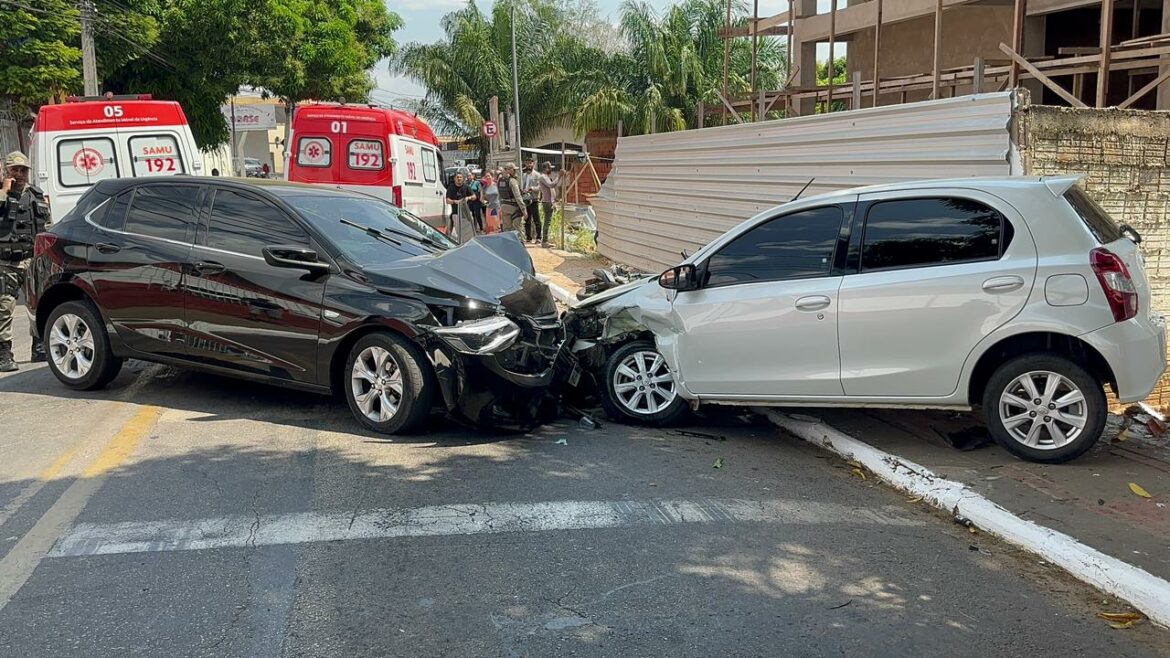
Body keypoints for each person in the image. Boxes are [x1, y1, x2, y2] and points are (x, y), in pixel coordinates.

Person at [0, 152, 51, 372]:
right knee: (4, 308)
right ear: (6, 171)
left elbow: (47, 226)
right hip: (6, 263)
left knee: (38, 304)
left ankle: (39, 347)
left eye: (23, 170)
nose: (20, 174)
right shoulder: (1, 194)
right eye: (15, 170)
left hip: (32, 261)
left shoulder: (36, 195)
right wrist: (4, 190)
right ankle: (4, 353)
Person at [444, 171, 477, 240]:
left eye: (460, 177)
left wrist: (468, 198)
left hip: (466, 213)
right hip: (456, 214)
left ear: (463, 178)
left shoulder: (466, 186)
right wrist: (455, 201)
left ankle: (468, 244)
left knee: (468, 232)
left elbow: (474, 196)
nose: (459, 179)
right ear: (454, 179)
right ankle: (462, 245)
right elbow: (447, 200)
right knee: (460, 233)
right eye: (457, 177)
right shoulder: (451, 187)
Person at [496, 163, 527, 234]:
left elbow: (499, 195)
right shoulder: (512, 181)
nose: (515, 171)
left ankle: (508, 244)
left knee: (507, 230)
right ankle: (520, 244)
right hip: (514, 208)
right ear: (509, 170)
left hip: (504, 207)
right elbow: (518, 197)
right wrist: (524, 210)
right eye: (514, 170)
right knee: (518, 230)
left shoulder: (500, 180)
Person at [538, 161, 564, 247]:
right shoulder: (543, 177)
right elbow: (551, 185)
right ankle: (544, 241)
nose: (551, 170)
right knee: (547, 222)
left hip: (550, 202)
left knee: (547, 221)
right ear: (546, 168)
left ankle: (545, 241)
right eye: (550, 168)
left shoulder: (546, 177)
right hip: (547, 202)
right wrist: (559, 176)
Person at [522, 160, 541, 242]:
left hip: (534, 199)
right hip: (526, 199)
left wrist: (532, 188)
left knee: (536, 219)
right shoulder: (524, 175)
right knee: (527, 219)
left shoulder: (537, 175)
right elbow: (522, 185)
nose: (529, 165)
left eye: (530, 163)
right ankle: (528, 237)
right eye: (527, 163)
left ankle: (538, 237)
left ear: (534, 164)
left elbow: (540, 187)